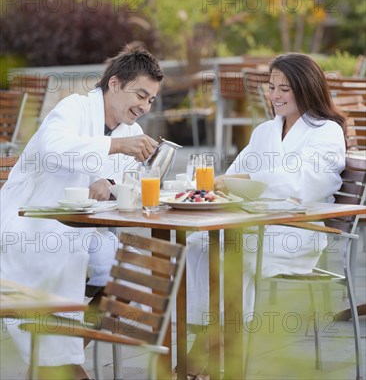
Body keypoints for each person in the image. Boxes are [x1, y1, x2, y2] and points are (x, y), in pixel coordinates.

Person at [0, 45, 164, 380]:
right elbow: (52, 148)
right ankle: (64, 365)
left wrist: (111, 180)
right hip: (31, 227)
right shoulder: (73, 108)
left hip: (86, 230)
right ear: (115, 84)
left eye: (151, 100)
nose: (145, 107)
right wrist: (114, 148)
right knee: (62, 267)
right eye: (141, 95)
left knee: (138, 275)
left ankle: (66, 354)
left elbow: (123, 182)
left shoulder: (130, 132)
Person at [185, 53, 346, 376]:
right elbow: (232, 176)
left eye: (285, 89)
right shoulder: (264, 132)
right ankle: (206, 336)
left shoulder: (326, 131)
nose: (275, 96)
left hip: (296, 232)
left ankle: (220, 350)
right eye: (272, 87)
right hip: (254, 225)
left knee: (233, 251)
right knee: (197, 244)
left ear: (306, 88)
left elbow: (303, 184)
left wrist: (247, 182)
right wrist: (229, 183)